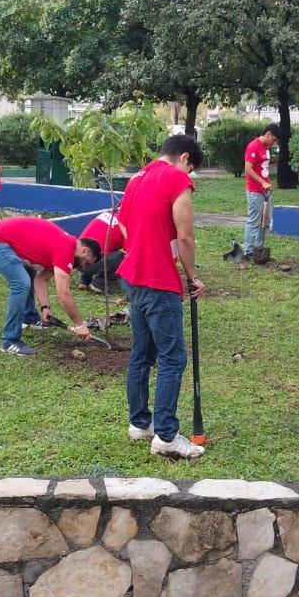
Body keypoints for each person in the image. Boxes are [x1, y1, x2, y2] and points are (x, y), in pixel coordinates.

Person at [117, 133, 207, 460]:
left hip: (133, 277)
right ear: (184, 158)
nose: (189, 176)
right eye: (191, 168)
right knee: (172, 358)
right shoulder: (176, 179)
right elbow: (185, 235)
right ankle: (166, 436)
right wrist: (192, 276)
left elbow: (123, 226)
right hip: (158, 282)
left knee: (142, 353)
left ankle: (141, 423)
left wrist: (145, 246)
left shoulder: (136, 178)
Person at [0, 216, 100, 355]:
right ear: (84, 251)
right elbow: (64, 294)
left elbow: (40, 279)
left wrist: (45, 308)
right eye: (86, 262)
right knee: (21, 284)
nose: (83, 267)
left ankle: (30, 318)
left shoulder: (66, 245)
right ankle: (9, 341)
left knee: (30, 273)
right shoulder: (66, 249)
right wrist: (80, 325)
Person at [241, 124, 279, 262]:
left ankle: (259, 250)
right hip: (255, 191)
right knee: (254, 221)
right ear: (268, 134)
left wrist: (267, 183)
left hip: (265, 191)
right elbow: (248, 169)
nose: (273, 143)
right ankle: (248, 252)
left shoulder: (265, 147)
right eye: (273, 140)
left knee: (266, 221)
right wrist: (262, 182)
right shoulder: (253, 146)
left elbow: (262, 168)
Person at [78, 209, 126, 291]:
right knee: (124, 258)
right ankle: (100, 283)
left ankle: (85, 281)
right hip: (89, 262)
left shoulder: (108, 213)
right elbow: (132, 252)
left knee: (95, 247)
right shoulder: (128, 225)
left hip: (77, 260)